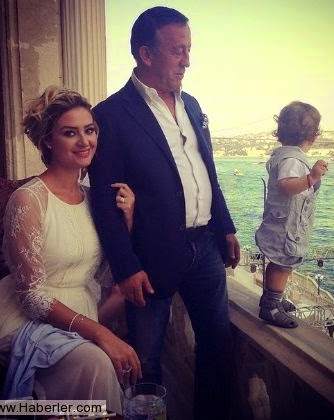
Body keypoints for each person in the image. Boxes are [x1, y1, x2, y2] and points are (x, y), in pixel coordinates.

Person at [88, 6, 240, 418]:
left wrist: (225, 227)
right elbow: (104, 201)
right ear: (146, 54)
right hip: (150, 258)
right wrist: (126, 268)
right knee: (146, 360)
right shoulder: (110, 116)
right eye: (177, 51)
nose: (187, 60)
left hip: (205, 248)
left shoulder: (192, 105)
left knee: (217, 345)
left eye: (189, 49)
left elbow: (207, 172)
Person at [0, 86, 141, 414]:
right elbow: (32, 298)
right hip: (24, 319)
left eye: (89, 130)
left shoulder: (94, 199)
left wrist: (127, 220)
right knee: (95, 362)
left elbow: (106, 278)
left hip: (81, 311)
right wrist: (100, 333)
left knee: (102, 363)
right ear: (48, 141)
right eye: (70, 133)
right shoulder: (28, 200)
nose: (84, 141)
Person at [255, 101, 328, 328]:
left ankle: (271, 298)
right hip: (286, 226)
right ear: (313, 136)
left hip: (282, 221)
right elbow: (286, 185)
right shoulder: (293, 159)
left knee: (278, 262)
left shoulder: (285, 155)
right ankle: (271, 307)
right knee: (283, 264)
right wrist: (311, 178)